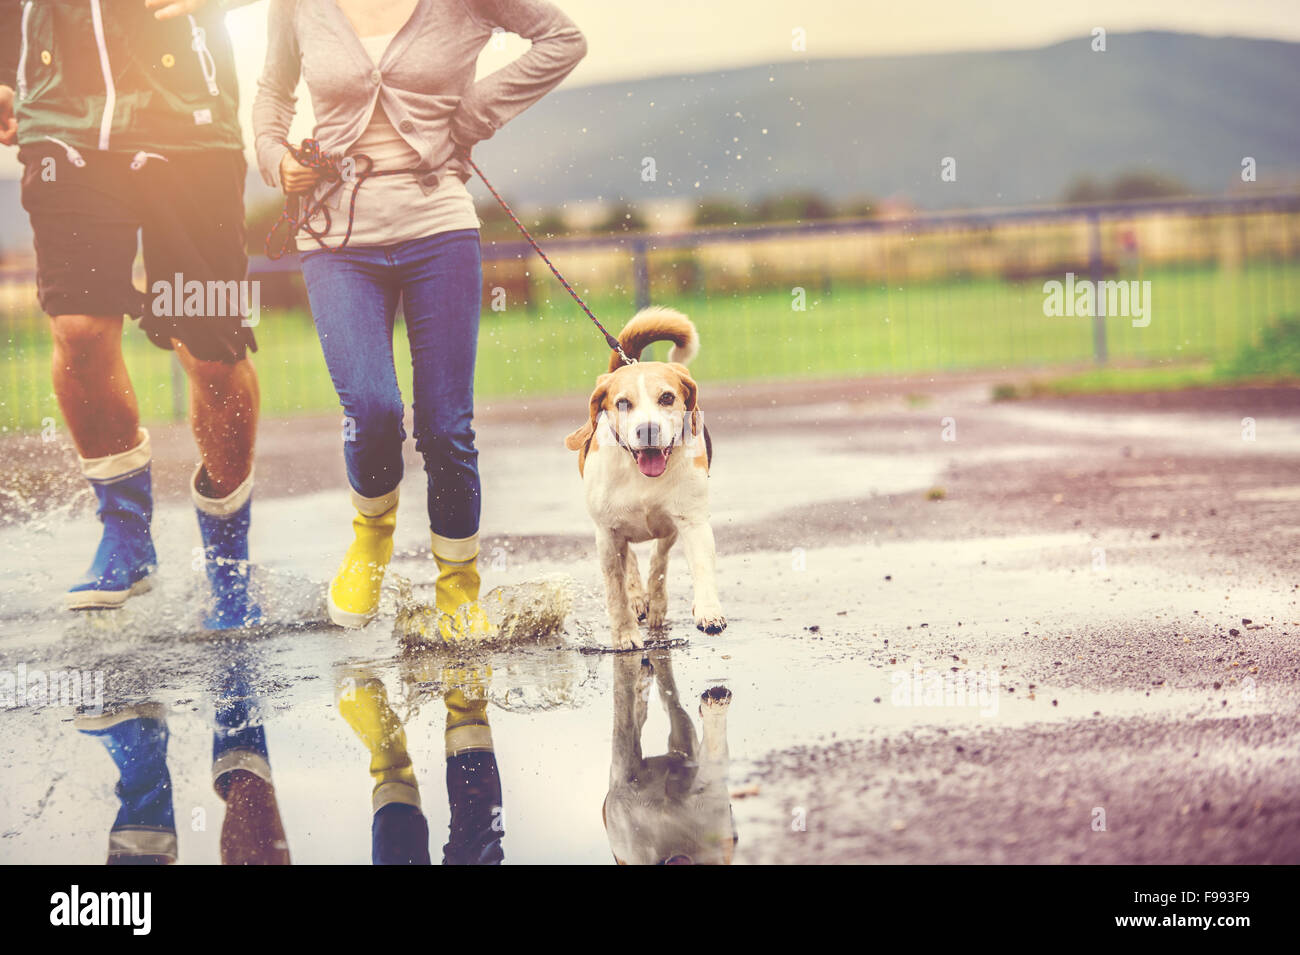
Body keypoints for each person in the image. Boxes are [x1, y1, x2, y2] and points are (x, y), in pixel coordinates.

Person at [252, 0, 585, 640]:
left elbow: (561, 39)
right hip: (335, 239)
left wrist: (474, 114)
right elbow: (272, 91)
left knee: (445, 427)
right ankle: (372, 533)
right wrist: (276, 156)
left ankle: (458, 588)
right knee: (373, 409)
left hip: (439, 229)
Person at [0, 0, 261, 628]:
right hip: (64, 122)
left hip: (190, 131)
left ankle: (228, 561)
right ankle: (125, 533)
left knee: (212, 355)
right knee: (80, 330)